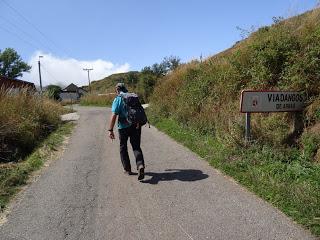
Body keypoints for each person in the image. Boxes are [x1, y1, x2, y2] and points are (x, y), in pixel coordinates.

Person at [108, 83, 145, 180]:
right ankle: (140, 165)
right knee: (136, 147)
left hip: (123, 128)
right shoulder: (133, 97)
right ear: (125, 88)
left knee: (123, 147)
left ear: (117, 90)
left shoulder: (118, 99)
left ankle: (127, 169)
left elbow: (114, 115)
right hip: (135, 125)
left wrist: (110, 130)